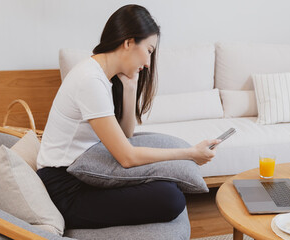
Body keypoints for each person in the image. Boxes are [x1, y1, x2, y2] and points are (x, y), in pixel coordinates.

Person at [35, 4, 220, 229]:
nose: (148, 63)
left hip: (82, 174)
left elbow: (126, 134)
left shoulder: (101, 76)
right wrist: (190, 154)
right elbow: (127, 157)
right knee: (171, 199)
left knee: (170, 190)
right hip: (66, 189)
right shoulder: (90, 81)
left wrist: (130, 88)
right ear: (129, 42)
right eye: (149, 51)